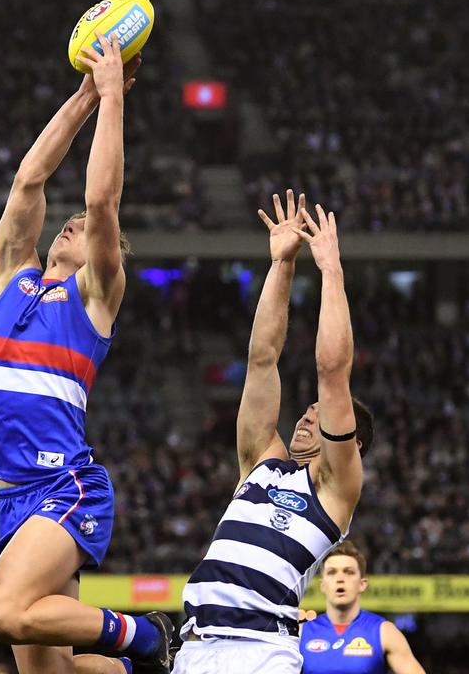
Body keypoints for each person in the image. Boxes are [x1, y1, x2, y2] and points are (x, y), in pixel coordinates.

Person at [0, 30, 173, 674]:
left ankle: (148, 638)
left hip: (65, 486)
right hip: (14, 496)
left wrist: (114, 98)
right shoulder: (11, 276)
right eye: (71, 225)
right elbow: (30, 180)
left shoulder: (95, 298)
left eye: (85, 232)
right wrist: (84, 94)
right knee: (51, 673)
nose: (73, 225)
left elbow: (100, 200)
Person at [174, 191, 371, 673]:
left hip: (262, 650)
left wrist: (330, 271)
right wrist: (282, 265)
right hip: (196, 644)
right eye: (304, 410)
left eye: (318, 415)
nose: (305, 417)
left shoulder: (335, 489)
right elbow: (262, 358)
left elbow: (332, 371)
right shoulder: (262, 459)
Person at [299, 542, 425, 674]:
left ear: (362, 584)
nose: (340, 578)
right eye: (332, 572)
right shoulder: (300, 634)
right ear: (322, 585)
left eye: (349, 572)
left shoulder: (385, 632)